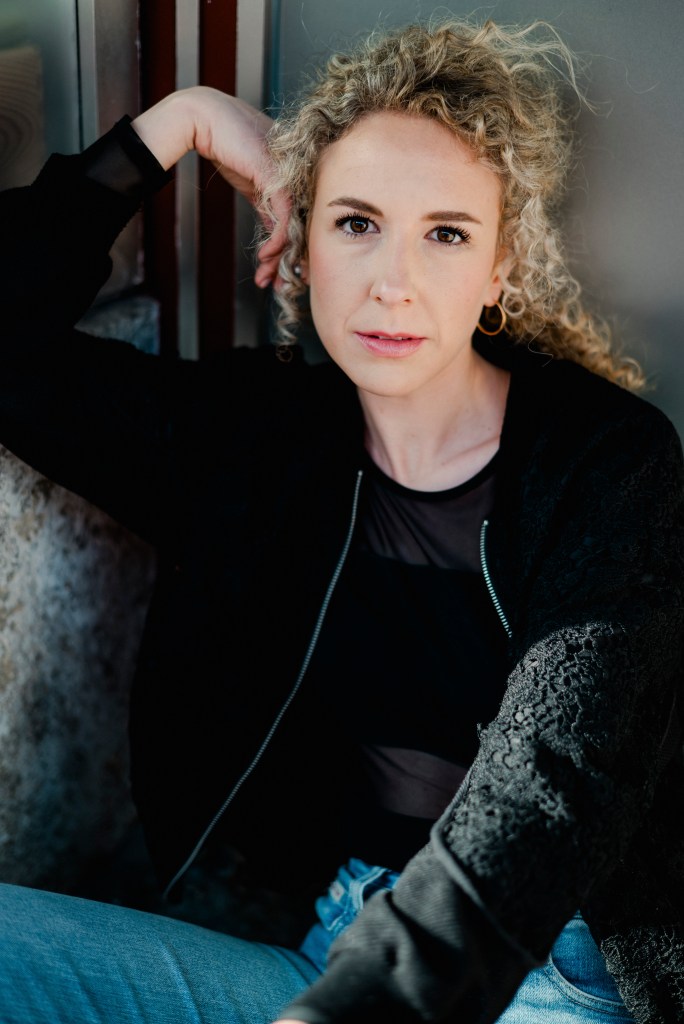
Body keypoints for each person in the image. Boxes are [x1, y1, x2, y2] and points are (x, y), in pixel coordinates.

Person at [0, 15, 683, 1024]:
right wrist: (176, 123)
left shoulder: (605, 463)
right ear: (301, 243)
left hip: (553, 974)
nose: (392, 283)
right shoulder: (253, 442)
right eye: (357, 223)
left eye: (446, 233)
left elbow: (552, 783)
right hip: (336, 949)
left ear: (500, 267)